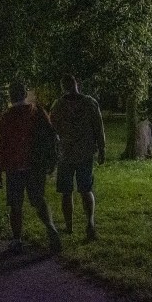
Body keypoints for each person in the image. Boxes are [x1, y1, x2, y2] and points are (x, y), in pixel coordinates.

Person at [0, 81, 61, 254]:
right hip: (35, 165)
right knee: (38, 199)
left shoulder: (7, 117)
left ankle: (17, 240)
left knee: (16, 205)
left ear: (11, 95)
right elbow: (51, 135)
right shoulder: (37, 111)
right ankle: (50, 227)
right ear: (24, 94)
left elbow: (1, 145)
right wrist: (51, 161)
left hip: (14, 167)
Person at [50, 75, 106, 240]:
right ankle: (90, 223)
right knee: (86, 190)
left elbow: (52, 129)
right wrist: (102, 149)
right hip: (85, 153)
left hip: (65, 154)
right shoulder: (90, 103)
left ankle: (69, 226)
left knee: (66, 192)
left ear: (63, 87)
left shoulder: (58, 105)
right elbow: (99, 126)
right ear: (76, 84)